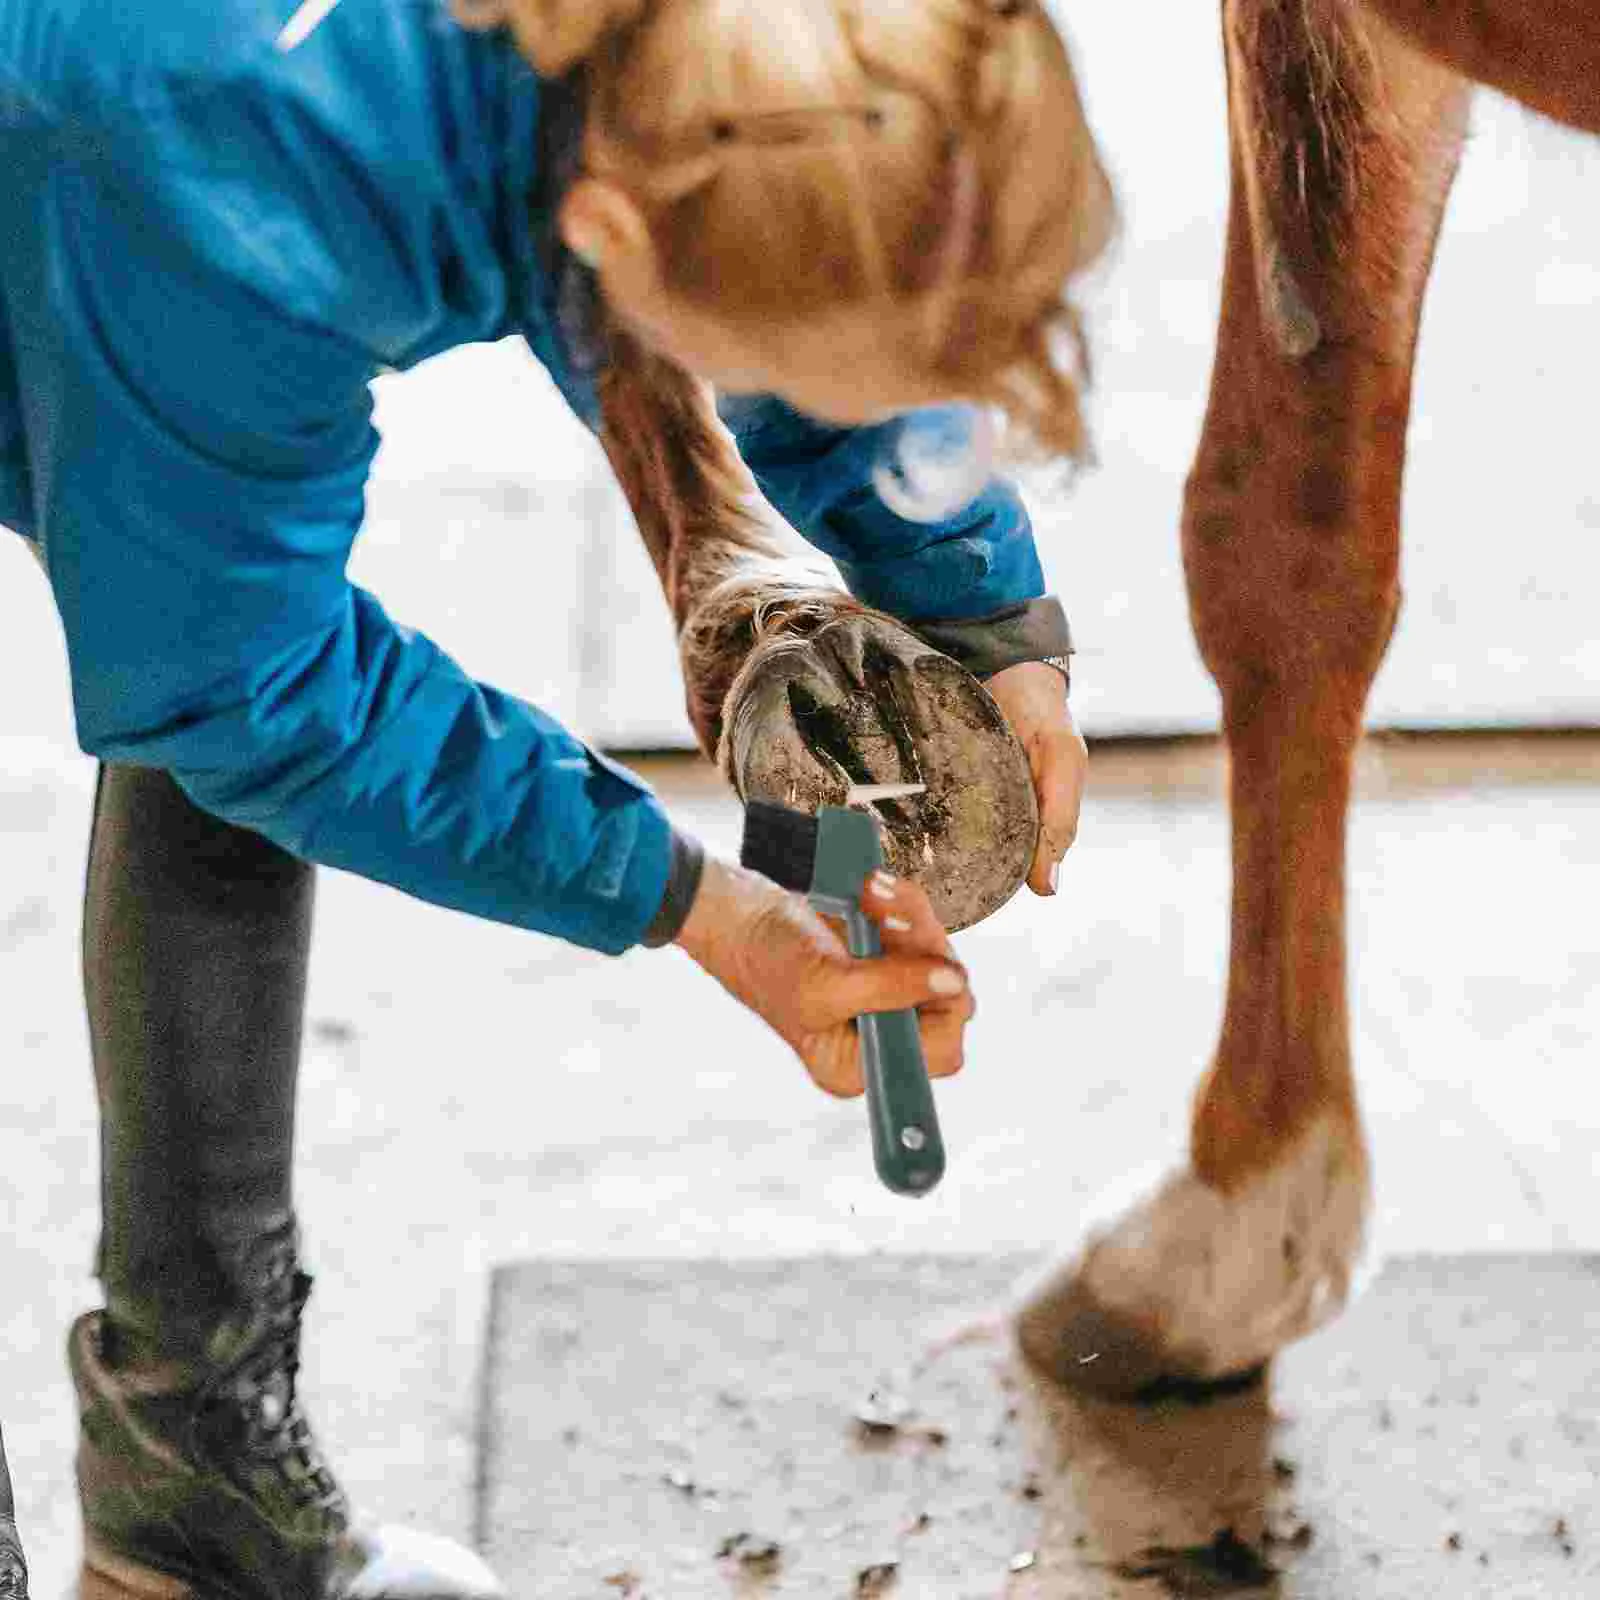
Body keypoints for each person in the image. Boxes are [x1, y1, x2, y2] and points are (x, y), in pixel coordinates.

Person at [0, 0, 1114, 1591]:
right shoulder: (244, 170)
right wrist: (696, 907)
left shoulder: (730, 60)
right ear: (600, 234)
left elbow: (792, 254)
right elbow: (251, 692)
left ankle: (195, 1495)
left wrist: (986, 616)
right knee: (230, 665)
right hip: (116, 121)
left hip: (130, 155)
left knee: (217, 589)